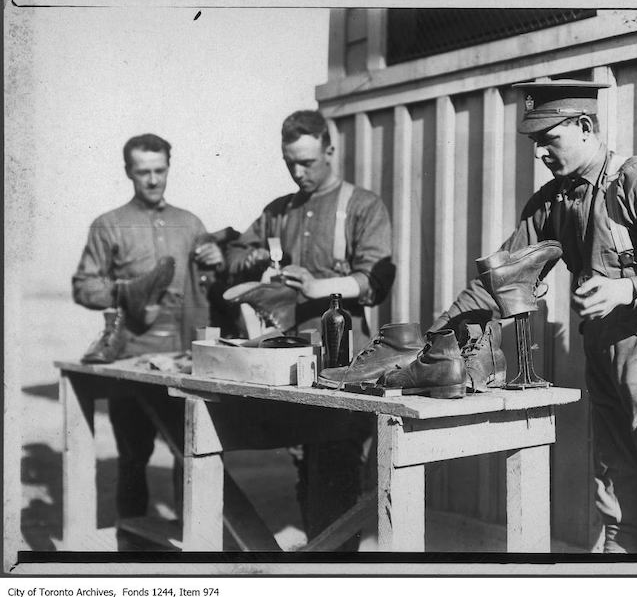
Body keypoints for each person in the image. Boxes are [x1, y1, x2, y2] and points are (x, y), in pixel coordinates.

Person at [430, 81, 637, 554]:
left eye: (550, 138)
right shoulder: (551, 202)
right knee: (619, 514)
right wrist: (436, 338)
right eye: (534, 142)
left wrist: (628, 288)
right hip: (604, 361)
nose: (541, 152)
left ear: (585, 127)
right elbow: (499, 279)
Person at [226, 110, 395, 550]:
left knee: (335, 475)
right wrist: (249, 264)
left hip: (342, 367)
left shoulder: (362, 206)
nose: (298, 172)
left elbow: (375, 281)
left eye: (308, 162)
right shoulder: (279, 212)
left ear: (330, 151)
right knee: (305, 471)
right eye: (290, 163)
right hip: (287, 363)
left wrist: (318, 286)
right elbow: (240, 252)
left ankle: (333, 569)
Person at [72, 133, 224, 543]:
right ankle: (131, 552)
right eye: (144, 172)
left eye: (160, 170)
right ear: (128, 172)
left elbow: (211, 283)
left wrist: (214, 260)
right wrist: (126, 292)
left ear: (169, 168)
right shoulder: (108, 225)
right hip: (134, 361)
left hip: (186, 361)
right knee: (133, 458)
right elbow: (84, 286)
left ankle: (192, 542)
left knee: (191, 455)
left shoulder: (191, 223)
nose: (153, 180)